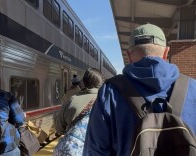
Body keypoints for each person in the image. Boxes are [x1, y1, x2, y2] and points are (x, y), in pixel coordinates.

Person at [83, 23, 196, 155]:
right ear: (166, 52)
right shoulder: (192, 87)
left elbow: (95, 150)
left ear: (129, 55)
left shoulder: (110, 91)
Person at [53, 68, 104, 155]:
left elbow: (59, 129)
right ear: (101, 83)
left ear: (84, 82)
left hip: (74, 151)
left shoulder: (72, 100)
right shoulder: (108, 102)